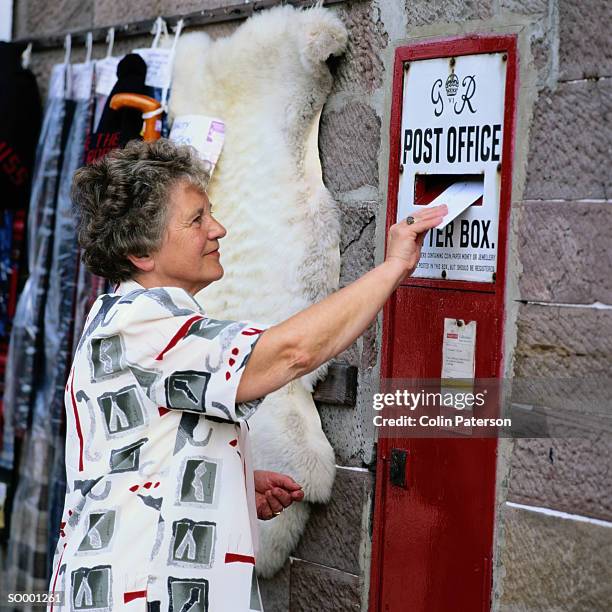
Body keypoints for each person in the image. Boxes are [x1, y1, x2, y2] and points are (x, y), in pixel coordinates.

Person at [47, 139, 446, 612]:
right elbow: (291, 353)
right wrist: (396, 266)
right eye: (196, 220)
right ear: (140, 252)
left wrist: (227, 480)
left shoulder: (124, 312)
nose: (218, 229)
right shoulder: (143, 326)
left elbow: (136, 449)